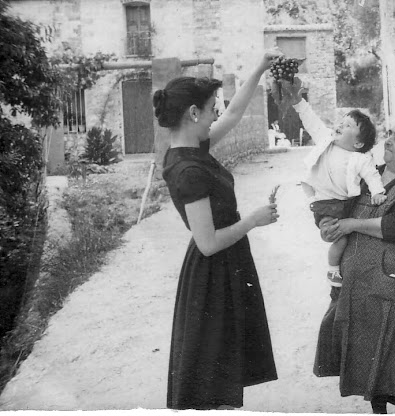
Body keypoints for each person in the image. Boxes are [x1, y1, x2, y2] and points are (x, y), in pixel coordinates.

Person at [152, 50, 282, 410]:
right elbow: (208, 243)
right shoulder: (188, 170)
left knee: (223, 370)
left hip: (226, 265)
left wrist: (259, 68)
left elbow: (236, 113)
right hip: (213, 272)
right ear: (193, 113)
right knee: (213, 379)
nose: (216, 115)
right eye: (212, 109)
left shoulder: (192, 148)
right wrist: (253, 220)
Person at [316, 116, 395, 414]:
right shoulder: (367, 174)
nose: (389, 140)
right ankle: (378, 407)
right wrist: (327, 225)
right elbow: (336, 203)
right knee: (369, 339)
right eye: (389, 134)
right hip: (361, 280)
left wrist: (351, 224)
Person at [273, 78, 387, 288]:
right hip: (324, 203)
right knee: (337, 236)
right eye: (341, 122)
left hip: (346, 203)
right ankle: (333, 270)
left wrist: (378, 191)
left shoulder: (360, 158)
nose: (340, 125)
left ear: (358, 143)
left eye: (348, 125)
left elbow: (372, 175)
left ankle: (353, 264)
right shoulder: (327, 141)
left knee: (351, 234)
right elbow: (312, 121)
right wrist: (299, 102)